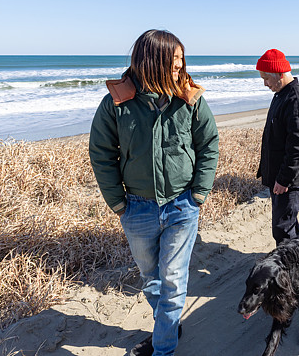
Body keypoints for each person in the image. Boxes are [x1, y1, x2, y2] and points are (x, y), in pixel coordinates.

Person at [89, 30, 219, 356]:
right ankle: (170, 324)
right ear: (153, 62)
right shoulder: (116, 103)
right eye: (174, 62)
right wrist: (118, 203)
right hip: (137, 210)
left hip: (181, 206)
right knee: (152, 281)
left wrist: (199, 193)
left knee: (173, 282)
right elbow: (102, 154)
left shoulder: (190, 98)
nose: (180, 67)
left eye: (181, 61)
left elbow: (208, 145)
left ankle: (163, 349)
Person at [256, 49, 299, 245]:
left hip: (291, 179)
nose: (264, 83)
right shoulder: (282, 93)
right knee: (289, 224)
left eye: (266, 78)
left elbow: (298, 146)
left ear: (280, 75)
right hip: (282, 176)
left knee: (282, 229)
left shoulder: (296, 99)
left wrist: (283, 180)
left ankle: (291, 271)